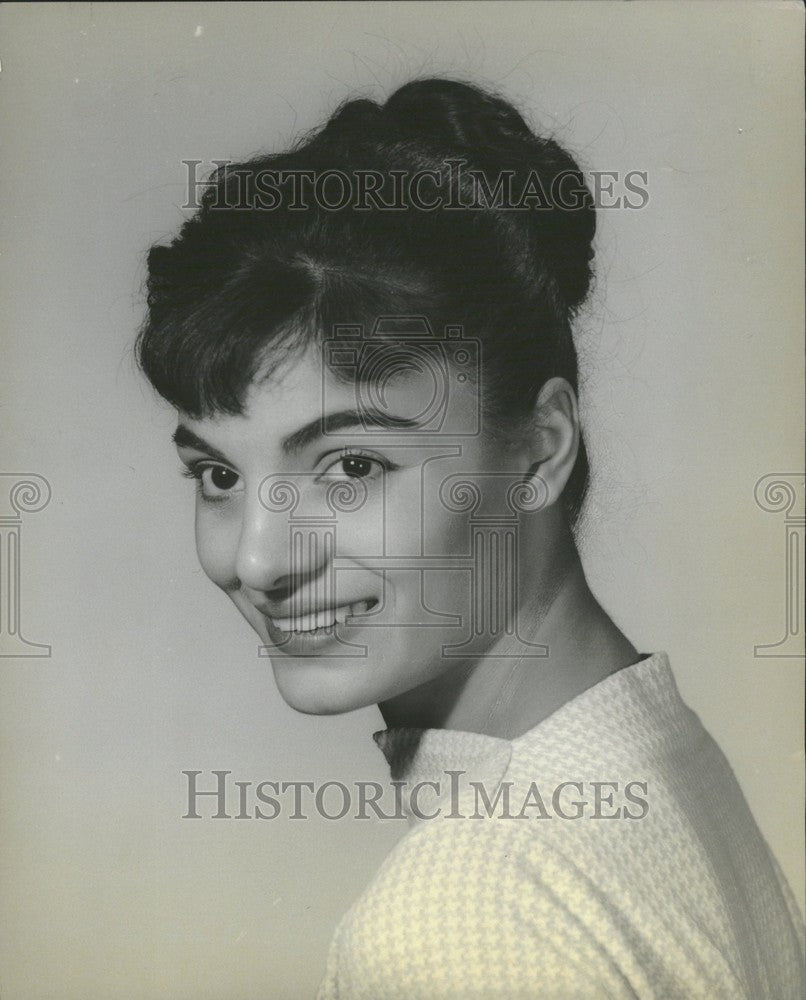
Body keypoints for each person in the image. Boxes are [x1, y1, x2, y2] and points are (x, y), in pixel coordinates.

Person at [137, 78, 805, 999]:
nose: (256, 560)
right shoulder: (656, 756)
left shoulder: (462, 915)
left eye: (353, 467)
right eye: (218, 476)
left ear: (539, 449)